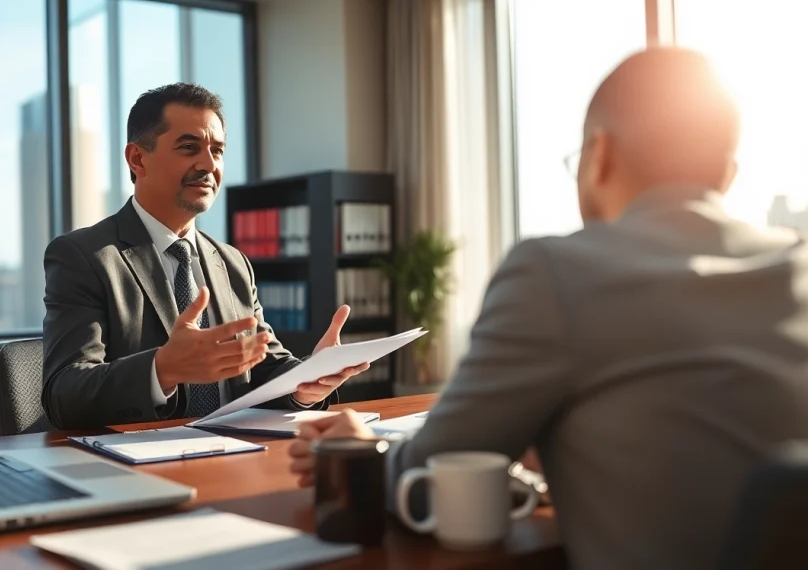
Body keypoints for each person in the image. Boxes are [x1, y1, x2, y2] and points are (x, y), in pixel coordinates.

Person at [288, 47, 808, 570]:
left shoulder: (556, 271)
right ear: (728, 173)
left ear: (598, 155)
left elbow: (428, 480)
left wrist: (364, 450)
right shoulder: (798, 264)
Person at [42, 83, 368, 428]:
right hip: (139, 468)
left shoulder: (232, 263)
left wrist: (308, 379)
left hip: (238, 458)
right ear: (138, 159)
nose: (208, 164)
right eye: (189, 147)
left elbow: (263, 367)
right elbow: (65, 394)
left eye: (218, 150)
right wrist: (162, 370)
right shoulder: (83, 256)